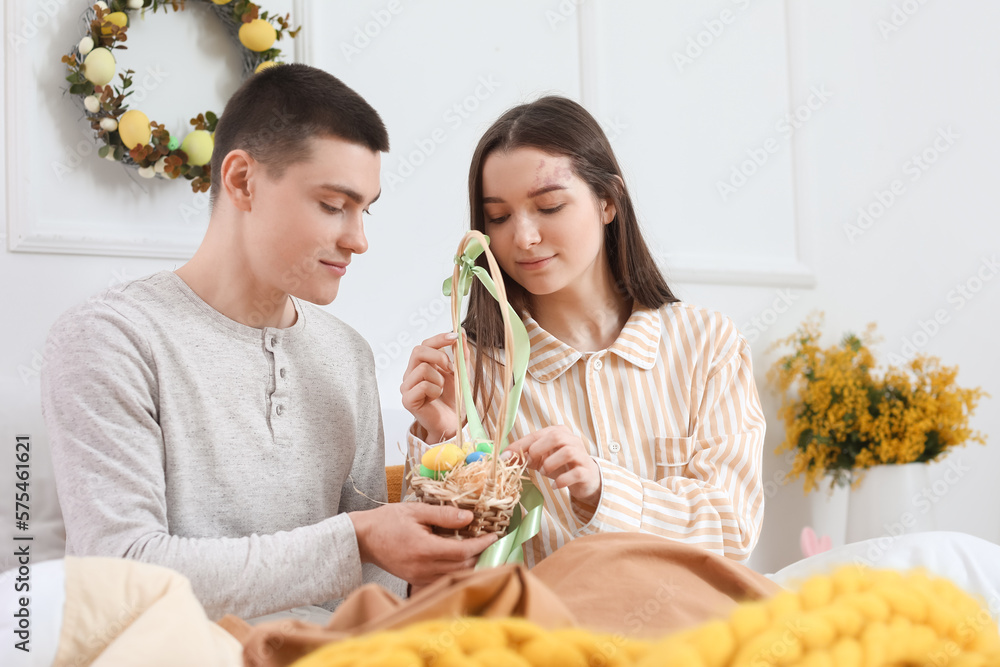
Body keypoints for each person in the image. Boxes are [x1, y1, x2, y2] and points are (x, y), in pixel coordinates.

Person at [40, 64, 497, 621]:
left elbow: (378, 596)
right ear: (241, 181)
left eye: (365, 210)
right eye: (333, 205)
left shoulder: (347, 355)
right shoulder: (111, 340)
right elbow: (120, 575)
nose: (358, 240)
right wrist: (356, 540)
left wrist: (439, 447)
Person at [401, 96, 765, 567]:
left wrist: (600, 489)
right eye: (499, 217)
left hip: (690, 630)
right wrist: (448, 439)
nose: (523, 238)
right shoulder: (467, 372)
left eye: (549, 206)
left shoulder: (707, 345)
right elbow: (444, 574)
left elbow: (732, 531)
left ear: (608, 201)